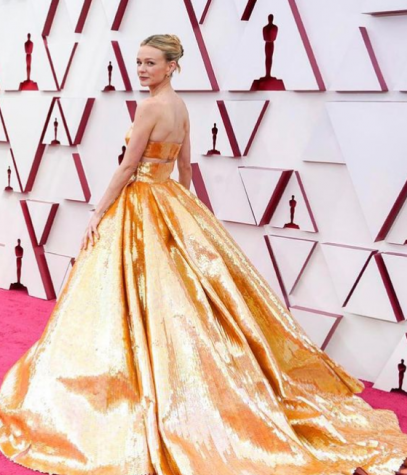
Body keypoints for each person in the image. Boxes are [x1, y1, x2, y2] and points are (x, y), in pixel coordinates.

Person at [0, 34, 406, 475]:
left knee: (127, 298)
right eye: (138, 62)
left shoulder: (151, 107)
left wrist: (99, 212)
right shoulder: (181, 107)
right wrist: (183, 214)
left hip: (140, 201)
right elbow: (185, 167)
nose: (141, 70)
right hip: (170, 200)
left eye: (150, 63)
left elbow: (127, 166)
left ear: (172, 65)